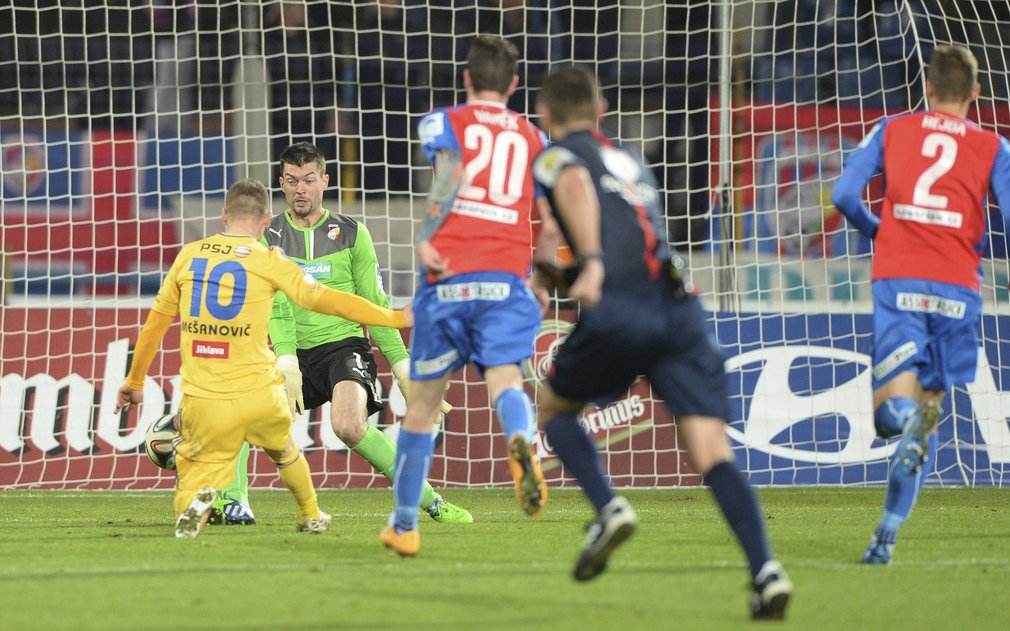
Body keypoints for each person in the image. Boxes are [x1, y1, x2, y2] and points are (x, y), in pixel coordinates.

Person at [528, 67, 793, 620]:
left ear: (545, 115)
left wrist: (579, 267)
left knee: (554, 407)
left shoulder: (553, 158)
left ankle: (608, 507)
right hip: (680, 309)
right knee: (710, 452)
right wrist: (561, 273)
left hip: (621, 307)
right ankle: (766, 571)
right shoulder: (633, 160)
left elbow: (570, 199)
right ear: (601, 108)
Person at [114, 178, 412, 538]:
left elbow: (154, 326)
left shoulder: (189, 255)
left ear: (224, 215)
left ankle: (197, 504)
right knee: (286, 451)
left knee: (195, 473)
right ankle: (311, 513)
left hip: (205, 396)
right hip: (257, 392)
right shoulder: (268, 260)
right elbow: (330, 300)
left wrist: (133, 382)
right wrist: (393, 317)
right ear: (266, 219)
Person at [832, 44, 1010, 564]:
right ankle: (887, 534)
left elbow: (844, 195)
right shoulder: (994, 146)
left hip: (900, 281)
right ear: (975, 93)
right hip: (958, 289)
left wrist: (881, 231)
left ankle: (905, 422)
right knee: (930, 412)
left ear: (927, 88)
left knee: (889, 418)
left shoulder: (892, 129)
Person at [207, 142, 472, 526]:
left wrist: (401, 367)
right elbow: (277, 306)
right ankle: (235, 503)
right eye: (292, 181)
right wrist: (286, 357)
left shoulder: (352, 233)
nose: (301, 190)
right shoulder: (266, 236)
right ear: (281, 183)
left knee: (348, 425)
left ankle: (430, 502)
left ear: (324, 182)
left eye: (309, 180)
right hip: (292, 352)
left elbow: (374, 303)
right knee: (240, 420)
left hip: (343, 347)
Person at [378, 34, 552, 557]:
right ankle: (520, 441)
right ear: (514, 85)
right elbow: (550, 221)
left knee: (422, 410)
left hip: (450, 279)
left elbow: (451, 172)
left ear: (467, 79)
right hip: (506, 282)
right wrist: (540, 284)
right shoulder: (535, 139)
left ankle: (406, 525)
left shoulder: (443, 121)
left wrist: (429, 234)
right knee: (505, 381)